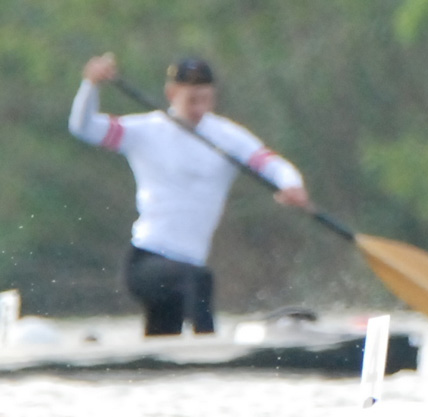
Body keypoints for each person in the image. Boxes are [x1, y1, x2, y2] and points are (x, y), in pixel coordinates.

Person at [69, 53, 311, 337]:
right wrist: (91, 85)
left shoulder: (227, 136)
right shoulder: (145, 131)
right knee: (199, 279)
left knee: (164, 342)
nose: (198, 108)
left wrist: (291, 184)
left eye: (205, 99)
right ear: (171, 94)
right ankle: (211, 356)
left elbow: (270, 163)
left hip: (188, 265)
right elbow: (83, 128)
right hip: (146, 262)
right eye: (190, 100)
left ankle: (159, 372)